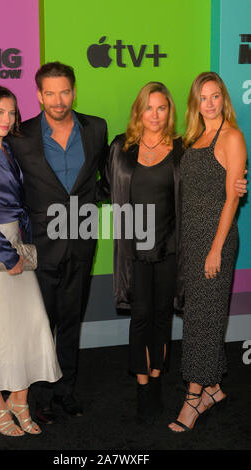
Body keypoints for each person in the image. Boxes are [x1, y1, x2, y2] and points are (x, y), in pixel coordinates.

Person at [104, 81, 247, 425]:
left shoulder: (205, 141)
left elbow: (221, 189)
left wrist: (236, 188)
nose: (155, 114)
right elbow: (107, 185)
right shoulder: (143, 145)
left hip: (193, 244)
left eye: (162, 107)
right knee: (170, 317)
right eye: (203, 97)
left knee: (187, 319)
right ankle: (188, 388)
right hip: (162, 244)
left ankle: (185, 392)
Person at [6, 62, 108, 423]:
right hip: (41, 244)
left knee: (70, 320)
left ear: (74, 91)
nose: (58, 99)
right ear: (39, 95)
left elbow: (108, 179)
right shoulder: (20, 136)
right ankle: (43, 396)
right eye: (50, 92)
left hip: (82, 241)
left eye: (64, 91)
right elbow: (7, 183)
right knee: (41, 322)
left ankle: (66, 391)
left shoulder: (96, 128)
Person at [0, 85, 62, 436]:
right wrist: (7, 255)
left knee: (30, 323)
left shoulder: (9, 151)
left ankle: (19, 399)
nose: (7, 118)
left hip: (15, 243)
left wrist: (22, 248)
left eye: (11, 112)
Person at [168, 71, 247, 432]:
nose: (210, 103)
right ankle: (213, 388)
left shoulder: (231, 135)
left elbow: (233, 196)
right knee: (202, 312)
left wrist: (216, 248)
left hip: (216, 238)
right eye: (204, 97)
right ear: (195, 103)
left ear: (224, 99)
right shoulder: (193, 138)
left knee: (203, 317)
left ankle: (193, 398)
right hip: (192, 237)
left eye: (216, 96)